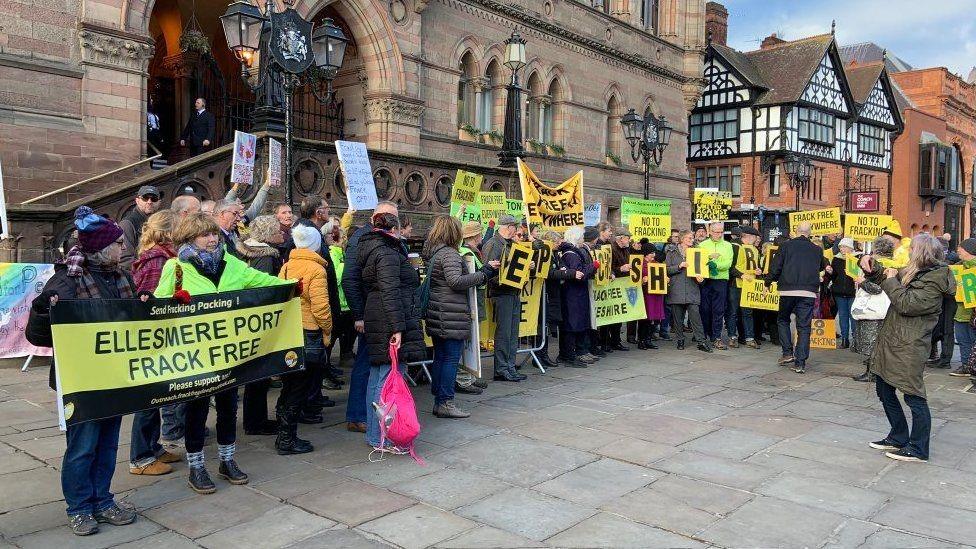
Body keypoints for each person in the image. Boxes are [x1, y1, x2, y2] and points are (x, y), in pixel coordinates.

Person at [154, 212, 292, 494]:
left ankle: (227, 460)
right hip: (195, 355)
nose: (212, 239)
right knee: (197, 410)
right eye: (205, 234)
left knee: (229, 408)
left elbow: (262, 281)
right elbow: (157, 307)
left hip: (229, 353)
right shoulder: (176, 268)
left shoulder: (231, 264)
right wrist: (173, 303)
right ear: (189, 237)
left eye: (214, 234)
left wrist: (291, 286)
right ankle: (196, 466)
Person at [28, 206, 138, 535]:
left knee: (107, 443)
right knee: (83, 446)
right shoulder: (66, 281)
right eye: (118, 245)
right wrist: (43, 311)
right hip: (81, 381)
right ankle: (78, 507)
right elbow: (37, 337)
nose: (123, 249)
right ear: (103, 249)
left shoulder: (122, 277)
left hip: (115, 376)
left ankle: (103, 500)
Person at [868, 234, 954, 463]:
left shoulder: (936, 279)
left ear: (922, 252)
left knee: (914, 395)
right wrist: (870, 267)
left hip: (910, 345)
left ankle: (918, 448)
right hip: (893, 341)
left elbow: (907, 303)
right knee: (884, 391)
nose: (908, 252)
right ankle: (898, 436)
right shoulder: (915, 270)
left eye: (913, 248)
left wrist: (891, 280)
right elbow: (888, 277)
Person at [358, 211, 425, 449]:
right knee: (387, 379)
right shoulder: (386, 252)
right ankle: (379, 436)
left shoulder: (374, 248)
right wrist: (397, 328)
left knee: (378, 377)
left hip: (379, 315)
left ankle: (376, 435)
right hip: (388, 319)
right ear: (394, 229)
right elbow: (390, 291)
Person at [423, 216, 498, 418]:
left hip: (440, 312)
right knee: (450, 359)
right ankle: (445, 402)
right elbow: (456, 281)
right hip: (450, 314)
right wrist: (484, 274)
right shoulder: (449, 254)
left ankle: (439, 398)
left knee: (441, 356)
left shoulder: (436, 252)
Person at [128, 210, 183, 476]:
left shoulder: (162, 256)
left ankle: (153, 446)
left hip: (162, 336)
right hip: (154, 338)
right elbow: (150, 301)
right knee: (148, 400)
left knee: (159, 395)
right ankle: (140, 457)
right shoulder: (158, 261)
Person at [277, 224, 334, 454]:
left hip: (291, 330)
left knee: (290, 384)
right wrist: (327, 330)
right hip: (309, 332)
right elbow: (321, 307)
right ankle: (287, 440)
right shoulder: (316, 270)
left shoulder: (288, 266)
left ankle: (284, 435)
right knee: (300, 386)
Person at [343, 200, 399, 432]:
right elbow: (350, 279)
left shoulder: (381, 238)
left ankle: (369, 413)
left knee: (374, 365)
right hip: (370, 313)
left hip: (380, 312)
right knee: (366, 365)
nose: (393, 223)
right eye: (389, 218)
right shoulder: (362, 240)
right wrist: (359, 315)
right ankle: (358, 415)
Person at [236, 216, 286, 434]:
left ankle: (255, 420)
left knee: (255, 376)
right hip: (261, 321)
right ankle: (256, 422)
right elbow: (265, 292)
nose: (283, 234)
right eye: (278, 231)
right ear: (268, 234)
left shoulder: (245, 251)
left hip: (247, 319)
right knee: (260, 376)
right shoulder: (266, 257)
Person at [767, 221, 827, 374]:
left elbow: (776, 266)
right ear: (810, 232)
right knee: (804, 327)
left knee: (782, 319)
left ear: (796, 231)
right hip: (807, 291)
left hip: (787, 290)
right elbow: (820, 267)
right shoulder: (816, 249)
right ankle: (800, 363)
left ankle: (787, 352)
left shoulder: (786, 246)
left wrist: (768, 281)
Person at [482, 214, 527, 382]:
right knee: (504, 333)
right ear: (509, 227)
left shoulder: (510, 244)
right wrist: (505, 277)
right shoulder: (493, 244)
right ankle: (501, 369)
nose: (517, 231)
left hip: (512, 291)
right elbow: (487, 271)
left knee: (512, 332)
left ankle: (509, 366)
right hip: (502, 292)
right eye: (516, 228)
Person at [852, 236, 895, 382]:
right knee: (879, 343)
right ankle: (878, 372)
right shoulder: (894, 265)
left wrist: (862, 281)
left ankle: (872, 373)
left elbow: (876, 289)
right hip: (886, 309)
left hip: (874, 310)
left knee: (872, 344)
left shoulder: (877, 266)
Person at [457, 220, 491, 393]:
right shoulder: (465, 252)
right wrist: (487, 270)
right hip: (471, 299)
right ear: (476, 235)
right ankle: (463, 379)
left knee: (472, 339)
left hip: (475, 298)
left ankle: (469, 377)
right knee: (468, 341)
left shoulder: (471, 251)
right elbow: (474, 276)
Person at [557, 226, 597, 367]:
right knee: (572, 325)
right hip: (574, 295)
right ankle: (569, 355)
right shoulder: (572, 254)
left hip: (574, 294)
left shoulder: (571, 252)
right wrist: (593, 266)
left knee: (574, 323)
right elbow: (578, 274)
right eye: (580, 237)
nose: (582, 240)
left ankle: (572, 353)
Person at [666, 230, 709, 352]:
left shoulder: (698, 252)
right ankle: (680, 340)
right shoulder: (671, 252)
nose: (691, 240)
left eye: (692, 238)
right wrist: (679, 266)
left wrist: (701, 279)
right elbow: (666, 269)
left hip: (692, 289)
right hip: (676, 289)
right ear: (682, 239)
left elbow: (703, 270)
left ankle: (701, 341)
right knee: (678, 318)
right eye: (689, 238)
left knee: (696, 316)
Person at [541, 230, 575, 367]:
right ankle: (542, 355)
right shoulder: (545, 254)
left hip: (555, 293)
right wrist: (564, 273)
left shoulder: (555, 253)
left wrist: (563, 270)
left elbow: (562, 266)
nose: (560, 244)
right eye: (557, 242)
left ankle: (544, 354)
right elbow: (548, 273)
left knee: (549, 325)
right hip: (547, 293)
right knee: (544, 325)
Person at [697, 221, 733, 349]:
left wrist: (715, 264)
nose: (719, 234)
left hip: (721, 280)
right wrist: (709, 258)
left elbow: (728, 263)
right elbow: (699, 262)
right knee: (705, 309)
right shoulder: (702, 245)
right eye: (717, 232)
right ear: (710, 232)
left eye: (721, 232)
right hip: (706, 280)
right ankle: (705, 334)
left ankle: (716, 337)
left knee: (718, 310)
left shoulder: (728, 246)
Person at [727, 226, 762, 348]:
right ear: (749, 236)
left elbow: (754, 266)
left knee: (747, 312)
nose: (756, 239)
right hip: (736, 284)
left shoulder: (755, 250)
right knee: (733, 312)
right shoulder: (736, 247)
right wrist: (742, 275)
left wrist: (758, 270)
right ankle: (732, 336)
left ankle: (749, 337)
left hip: (749, 284)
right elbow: (731, 267)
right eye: (754, 237)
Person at [119, 185, 162, 270]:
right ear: (137, 201)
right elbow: (125, 259)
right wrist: (150, 270)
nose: (149, 202)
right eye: (145, 198)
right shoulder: (128, 223)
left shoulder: (161, 222)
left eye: (154, 199)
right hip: (140, 277)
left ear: (159, 202)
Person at [950, 239, 976, 378]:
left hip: (973, 313)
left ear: (970, 250)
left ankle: (973, 366)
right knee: (962, 339)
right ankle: (966, 365)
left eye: (961, 248)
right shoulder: (958, 266)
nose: (958, 250)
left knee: (973, 341)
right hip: (961, 310)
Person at [828, 237, 859, 348]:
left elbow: (861, 274)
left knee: (853, 316)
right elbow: (833, 276)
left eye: (844, 246)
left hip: (853, 292)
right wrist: (830, 272)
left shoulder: (857, 258)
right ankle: (845, 340)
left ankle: (855, 340)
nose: (842, 249)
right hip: (839, 292)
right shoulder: (836, 259)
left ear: (850, 248)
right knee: (842, 316)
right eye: (840, 247)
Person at [638, 242, 663, 350]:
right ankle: (641, 340)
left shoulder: (656, 263)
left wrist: (665, 279)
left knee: (653, 319)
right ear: (645, 253)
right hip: (645, 295)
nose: (653, 255)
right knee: (645, 319)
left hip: (655, 295)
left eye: (654, 252)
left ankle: (648, 339)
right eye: (651, 253)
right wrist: (642, 281)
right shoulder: (639, 264)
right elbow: (635, 279)